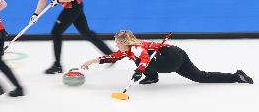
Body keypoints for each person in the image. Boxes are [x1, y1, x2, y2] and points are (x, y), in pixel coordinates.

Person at [30, 0, 113, 74]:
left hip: (74, 5)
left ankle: (57, 65)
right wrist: (35, 14)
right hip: (69, 5)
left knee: (56, 32)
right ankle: (110, 55)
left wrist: (59, 0)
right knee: (86, 32)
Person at [81, 30, 253, 85]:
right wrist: (91, 61)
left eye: (117, 43)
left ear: (124, 42)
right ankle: (235, 76)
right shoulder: (128, 50)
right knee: (200, 77)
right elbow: (112, 57)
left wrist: (139, 71)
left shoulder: (138, 48)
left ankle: (152, 76)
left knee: (140, 63)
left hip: (171, 60)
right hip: (176, 52)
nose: (116, 45)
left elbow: (145, 61)